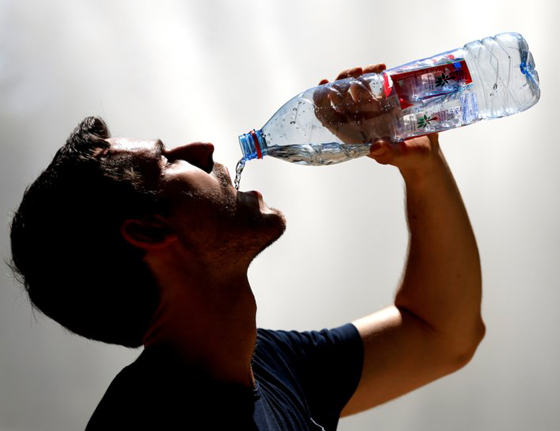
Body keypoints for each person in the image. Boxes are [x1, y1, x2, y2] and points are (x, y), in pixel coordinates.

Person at [9, 64, 485, 430]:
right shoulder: (143, 421)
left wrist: (422, 165)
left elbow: (442, 334)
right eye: (166, 160)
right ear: (149, 231)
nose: (202, 149)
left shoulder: (269, 364)